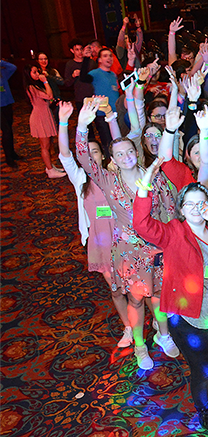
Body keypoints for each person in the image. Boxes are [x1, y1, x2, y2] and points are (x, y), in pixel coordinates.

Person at [133, 166, 208, 437]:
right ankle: (206, 412)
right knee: (203, 369)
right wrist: (144, 185)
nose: (196, 208)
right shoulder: (174, 232)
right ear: (181, 209)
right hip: (186, 319)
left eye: (202, 203)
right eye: (190, 204)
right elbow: (141, 224)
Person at [76, 101, 178, 370]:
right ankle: (140, 346)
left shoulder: (153, 176)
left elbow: (170, 207)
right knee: (135, 298)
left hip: (157, 248)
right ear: (113, 160)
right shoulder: (108, 181)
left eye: (129, 151)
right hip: (130, 251)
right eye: (119, 154)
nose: (125, 157)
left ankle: (163, 334)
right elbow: (85, 158)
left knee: (159, 295)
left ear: (136, 152)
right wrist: (81, 126)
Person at [57, 101, 131, 347]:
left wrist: (111, 117)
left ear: (103, 155)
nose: (91, 155)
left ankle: (146, 319)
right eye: (86, 152)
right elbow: (65, 155)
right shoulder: (80, 179)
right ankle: (128, 327)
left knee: (135, 287)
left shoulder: (116, 173)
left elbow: (122, 146)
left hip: (124, 239)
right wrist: (64, 122)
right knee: (116, 290)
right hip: (100, 242)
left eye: (96, 151)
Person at [24, 65, 65, 178]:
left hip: (45, 114)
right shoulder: (31, 87)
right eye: (35, 72)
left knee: (48, 143)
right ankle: (50, 170)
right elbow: (49, 95)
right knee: (45, 146)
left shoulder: (36, 86)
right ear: (29, 74)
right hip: (40, 117)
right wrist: (45, 81)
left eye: (38, 71)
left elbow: (48, 98)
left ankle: (50, 166)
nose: (38, 74)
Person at [0, 58, 20, 169]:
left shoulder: (3, 73)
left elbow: (13, 67)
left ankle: (12, 153)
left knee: (9, 129)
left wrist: (0, 62)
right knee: (6, 130)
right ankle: (8, 158)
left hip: (7, 104)